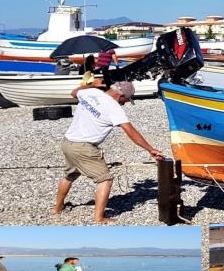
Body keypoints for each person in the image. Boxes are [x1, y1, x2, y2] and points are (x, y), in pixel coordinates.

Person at [52, 81, 165, 223]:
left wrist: (91, 84)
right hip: (84, 148)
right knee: (105, 180)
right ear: (120, 95)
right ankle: (99, 218)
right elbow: (131, 131)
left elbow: (74, 92)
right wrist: (151, 149)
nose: (124, 104)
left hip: (67, 142)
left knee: (70, 175)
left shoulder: (91, 93)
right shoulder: (113, 108)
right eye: (125, 100)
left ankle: (57, 208)